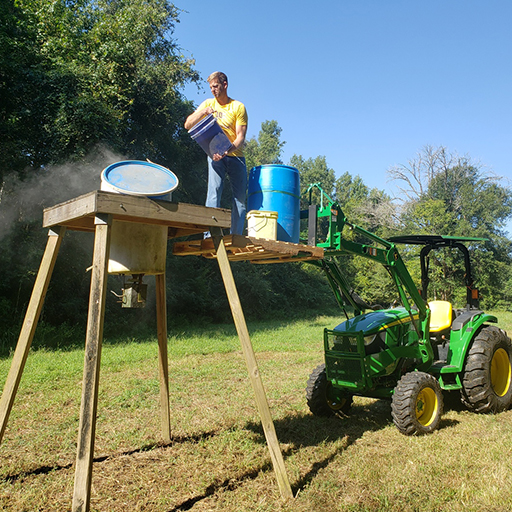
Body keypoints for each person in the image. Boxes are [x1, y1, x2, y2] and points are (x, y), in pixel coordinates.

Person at [184, 71, 248, 235]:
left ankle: (236, 236)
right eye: (211, 87)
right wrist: (203, 112)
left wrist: (227, 150)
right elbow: (187, 125)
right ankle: (209, 235)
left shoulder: (238, 107)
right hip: (214, 157)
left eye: (216, 86)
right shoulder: (207, 103)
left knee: (239, 199)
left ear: (225, 85)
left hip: (236, 157)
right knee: (213, 193)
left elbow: (240, 137)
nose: (213, 90)